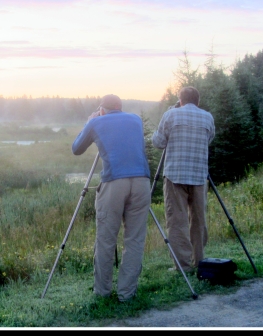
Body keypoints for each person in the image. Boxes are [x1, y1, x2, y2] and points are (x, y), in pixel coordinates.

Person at [72, 94, 151, 302]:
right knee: (134, 239)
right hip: (142, 181)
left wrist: (89, 122)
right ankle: (127, 293)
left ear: (102, 109)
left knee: (106, 239)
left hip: (114, 181)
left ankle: (103, 292)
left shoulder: (97, 121)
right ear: (120, 107)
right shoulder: (135, 119)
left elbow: (76, 149)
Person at [152, 86, 215, 273]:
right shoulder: (208, 117)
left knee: (177, 220)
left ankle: (183, 265)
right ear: (198, 101)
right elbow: (209, 138)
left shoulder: (171, 115)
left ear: (180, 100)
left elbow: (158, 142)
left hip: (175, 175)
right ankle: (199, 260)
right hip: (199, 175)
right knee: (198, 219)